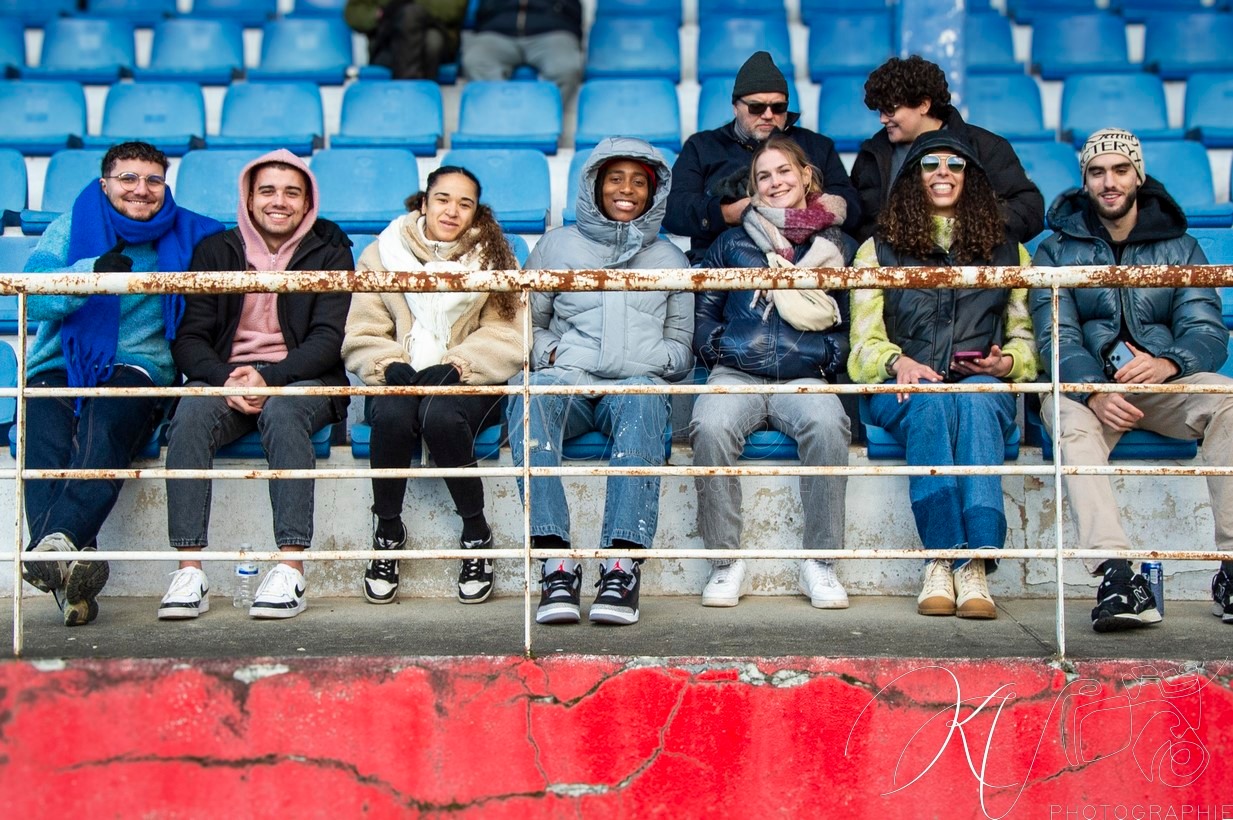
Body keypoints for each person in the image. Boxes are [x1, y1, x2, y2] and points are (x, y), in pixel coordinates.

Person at [1029, 128, 1233, 632]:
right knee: (1065, 416)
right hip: (1090, 392)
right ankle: (1118, 576)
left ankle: (1232, 569)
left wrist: (1169, 363)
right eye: (1097, 172)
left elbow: (1207, 330)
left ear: (1138, 176)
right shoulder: (1056, 251)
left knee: (1227, 398)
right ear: (1085, 181)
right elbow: (1055, 337)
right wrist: (1094, 389)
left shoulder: (1180, 247)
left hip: (1161, 386)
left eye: (1120, 170)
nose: (1109, 182)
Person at [20, 141, 224, 627]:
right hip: (63, 362)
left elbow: (237, 254)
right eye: (128, 178)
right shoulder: (72, 225)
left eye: (153, 180)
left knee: (103, 429)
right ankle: (71, 561)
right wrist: (90, 274)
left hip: (140, 366)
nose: (141, 189)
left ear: (165, 186)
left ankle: (53, 549)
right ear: (105, 183)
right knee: (45, 447)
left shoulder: (191, 234)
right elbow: (33, 293)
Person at [849, 131, 1039, 620]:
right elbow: (863, 345)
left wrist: (1004, 363)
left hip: (981, 385)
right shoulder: (877, 250)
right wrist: (899, 362)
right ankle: (943, 555)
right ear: (912, 177)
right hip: (903, 386)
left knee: (975, 397)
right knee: (931, 398)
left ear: (971, 178)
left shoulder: (1009, 252)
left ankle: (974, 564)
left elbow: (1026, 340)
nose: (942, 173)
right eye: (930, 163)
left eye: (955, 165)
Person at [158, 149, 353, 621]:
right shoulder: (216, 251)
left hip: (303, 378)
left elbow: (328, 339)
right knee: (190, 411)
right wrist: (227, 377)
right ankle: (189, 571)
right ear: (248, 198)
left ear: (308, 202)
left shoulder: (329, 251)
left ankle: (290, 569)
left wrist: (269, 378)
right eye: (267, 191)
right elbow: (189, 338)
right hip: (228, 377)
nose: (279, 202)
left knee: (283, 411)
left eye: (292, 193)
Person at [507, 136, 693, 627]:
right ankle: (555, 563)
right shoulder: (556, 246)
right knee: (528, 396)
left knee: (645, 395)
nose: (626, 189)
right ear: (595, 185)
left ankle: (621, 566)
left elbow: (681, 349)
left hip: (631, 388)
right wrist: (557, 354)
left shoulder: (670, 259)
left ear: (654, 192)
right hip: (567, 381)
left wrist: (636, 360)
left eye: (638, 182)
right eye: (615, 179)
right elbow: (527, 328)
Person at [342, 166, 523, 606]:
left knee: (440, 413)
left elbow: (509, 333)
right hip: (400, 377)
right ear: (423, 203)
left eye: (465, 203)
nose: (451, 210)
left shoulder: (496, 257)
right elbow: (363, 328)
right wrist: (387, 364)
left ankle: (476, 533)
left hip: (471, 381)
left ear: (477, 212)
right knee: (392, 412)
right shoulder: (381, 254)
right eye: (442, 199)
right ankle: (387, 531)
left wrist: (458, 366)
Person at [691, 133, 854, 609]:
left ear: (806, 175)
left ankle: (820, 562)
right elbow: (703, 314)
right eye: (764, 176)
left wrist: (824, 356)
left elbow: (852, 322)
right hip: (736, 373)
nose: (775, 182)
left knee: (828, 425)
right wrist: (725, 348)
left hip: (805, 376)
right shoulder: (730, 242)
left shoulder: (837, 245)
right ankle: (725, 563)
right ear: (754, 187)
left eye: (784, 171)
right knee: (709, 426)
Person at [665, 50, 861, 264]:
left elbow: (851, 207)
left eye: (778, 107)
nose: (768, 115)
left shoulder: (818, 145)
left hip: (808, 260)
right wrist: (728, 213)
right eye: (756, 107)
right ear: (735, 107)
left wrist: (797, 212)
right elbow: (672, 209)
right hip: (721, 264)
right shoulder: (702, 146)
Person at [850, 55, 1043, 245]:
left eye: (890, 110)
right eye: (880, 111)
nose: (883, 119)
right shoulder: (871, 155)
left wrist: (975, 230)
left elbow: (1030, 208)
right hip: (888, 263)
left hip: (969, 262)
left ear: (924, 105)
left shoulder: (986, 148)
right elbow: (855, 222)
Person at [461, 0, 584, 104]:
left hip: (553, 30)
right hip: (498, 30)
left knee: (566, 68)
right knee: (475, 61)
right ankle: (501, 114)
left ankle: (542, 118)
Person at [345, 0, 469, 80]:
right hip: (388, 45)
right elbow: (353, 14)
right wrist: (378, 15)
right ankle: (422, 100)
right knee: (427, 40)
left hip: (437, 39)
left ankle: (406, 95)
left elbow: (454, 9)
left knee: (431, 39)